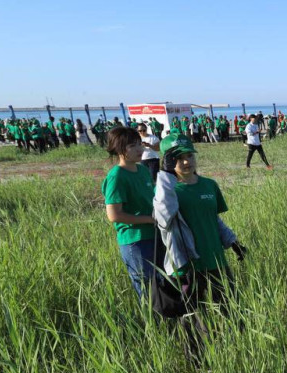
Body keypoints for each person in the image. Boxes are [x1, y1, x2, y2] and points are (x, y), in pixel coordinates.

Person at [154, 134, 246, 345]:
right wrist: (164, 176)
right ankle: (199, 362)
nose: (186, 162)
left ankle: (234, 349)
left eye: (189, 156)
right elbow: (163, 216)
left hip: (216, 261)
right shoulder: (167, 192)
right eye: (178, 158)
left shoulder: (209, 185)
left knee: (231, 309)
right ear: (168, 161)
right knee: (194, 318)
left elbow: (214, 218)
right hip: (188, 267)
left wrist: (232, 242)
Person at [101, 127, 161, 298]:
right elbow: (114, 215)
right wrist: (149, 220)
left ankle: (167, 322)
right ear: (119, 149)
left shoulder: (142, 170)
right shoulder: (117, 176)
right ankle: (153, 323)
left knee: (161, 283)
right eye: (132, 146)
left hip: (154, 235)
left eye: (139, 144)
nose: (140, 149)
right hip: (135, 241)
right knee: (147, 287)